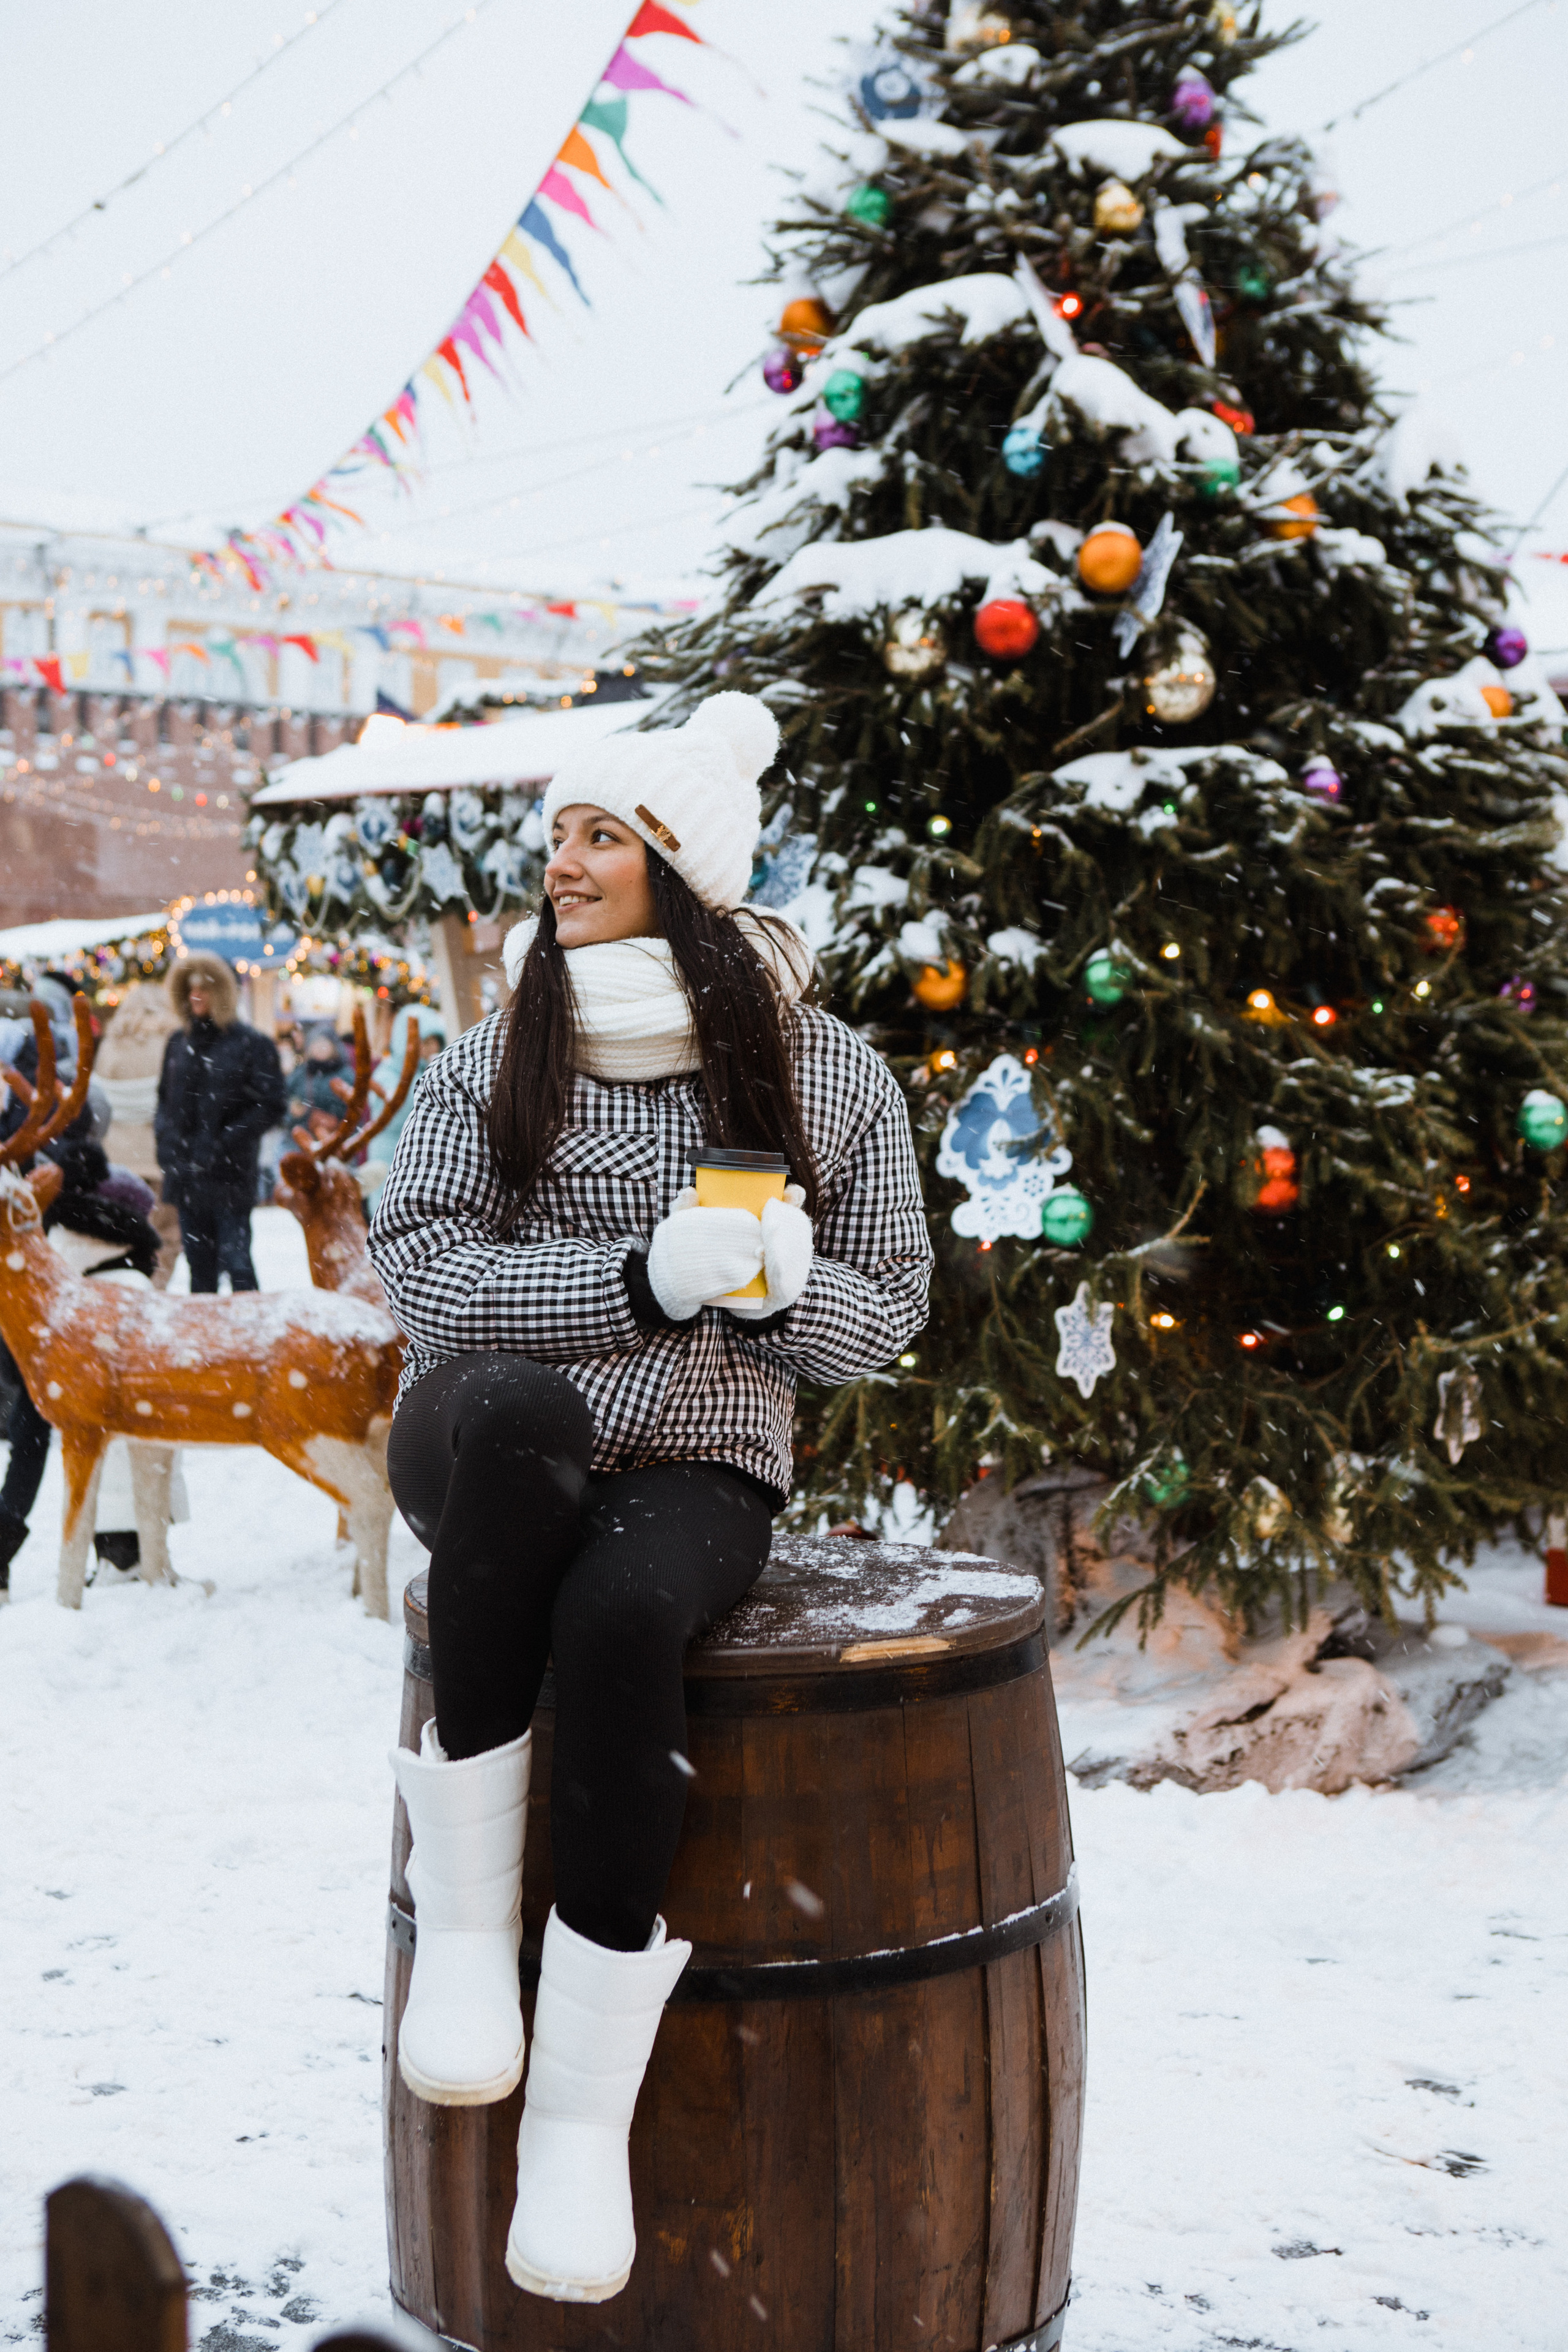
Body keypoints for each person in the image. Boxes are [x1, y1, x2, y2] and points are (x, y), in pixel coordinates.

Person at [369, 692, 932, 2305]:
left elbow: (889, 1304)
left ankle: (576, 2121)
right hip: (487, 1434)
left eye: (599, 834)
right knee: (534, 1415)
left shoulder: (827, 1076)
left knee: (624, 1617)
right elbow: (420, 1267)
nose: (562, 861)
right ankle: (470, 1949)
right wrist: (633, 1281)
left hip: (701, 1457)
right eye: (557, 833)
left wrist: (769, 1307)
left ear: (681, 866)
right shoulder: (500, 1050)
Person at [154, 954, 285, 1293]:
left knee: (238, 1263)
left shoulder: (252, 1044)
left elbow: (270, 1105)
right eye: (191, 989)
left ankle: (254, 1337)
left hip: (230, 1177)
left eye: (206, 989)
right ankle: (208, 1339)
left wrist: (224, 1142)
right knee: (199, 1267)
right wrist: (167, 1146)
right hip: (186, 1176)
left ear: (223, 993)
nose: (197, 996)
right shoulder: (177, 1043)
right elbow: (164, 1103)